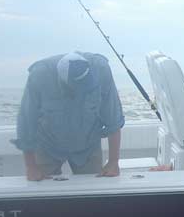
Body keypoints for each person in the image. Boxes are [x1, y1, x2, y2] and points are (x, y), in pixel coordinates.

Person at [13, 51, 125, 181]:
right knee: (43, 194)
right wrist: (31, 166)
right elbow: (26, 122)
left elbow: (113, 117)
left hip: (88, 145)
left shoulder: (101, 69)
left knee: (93, 192)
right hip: (47, 144)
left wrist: (113, 161)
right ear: (63, 83)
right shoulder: (39, 75)